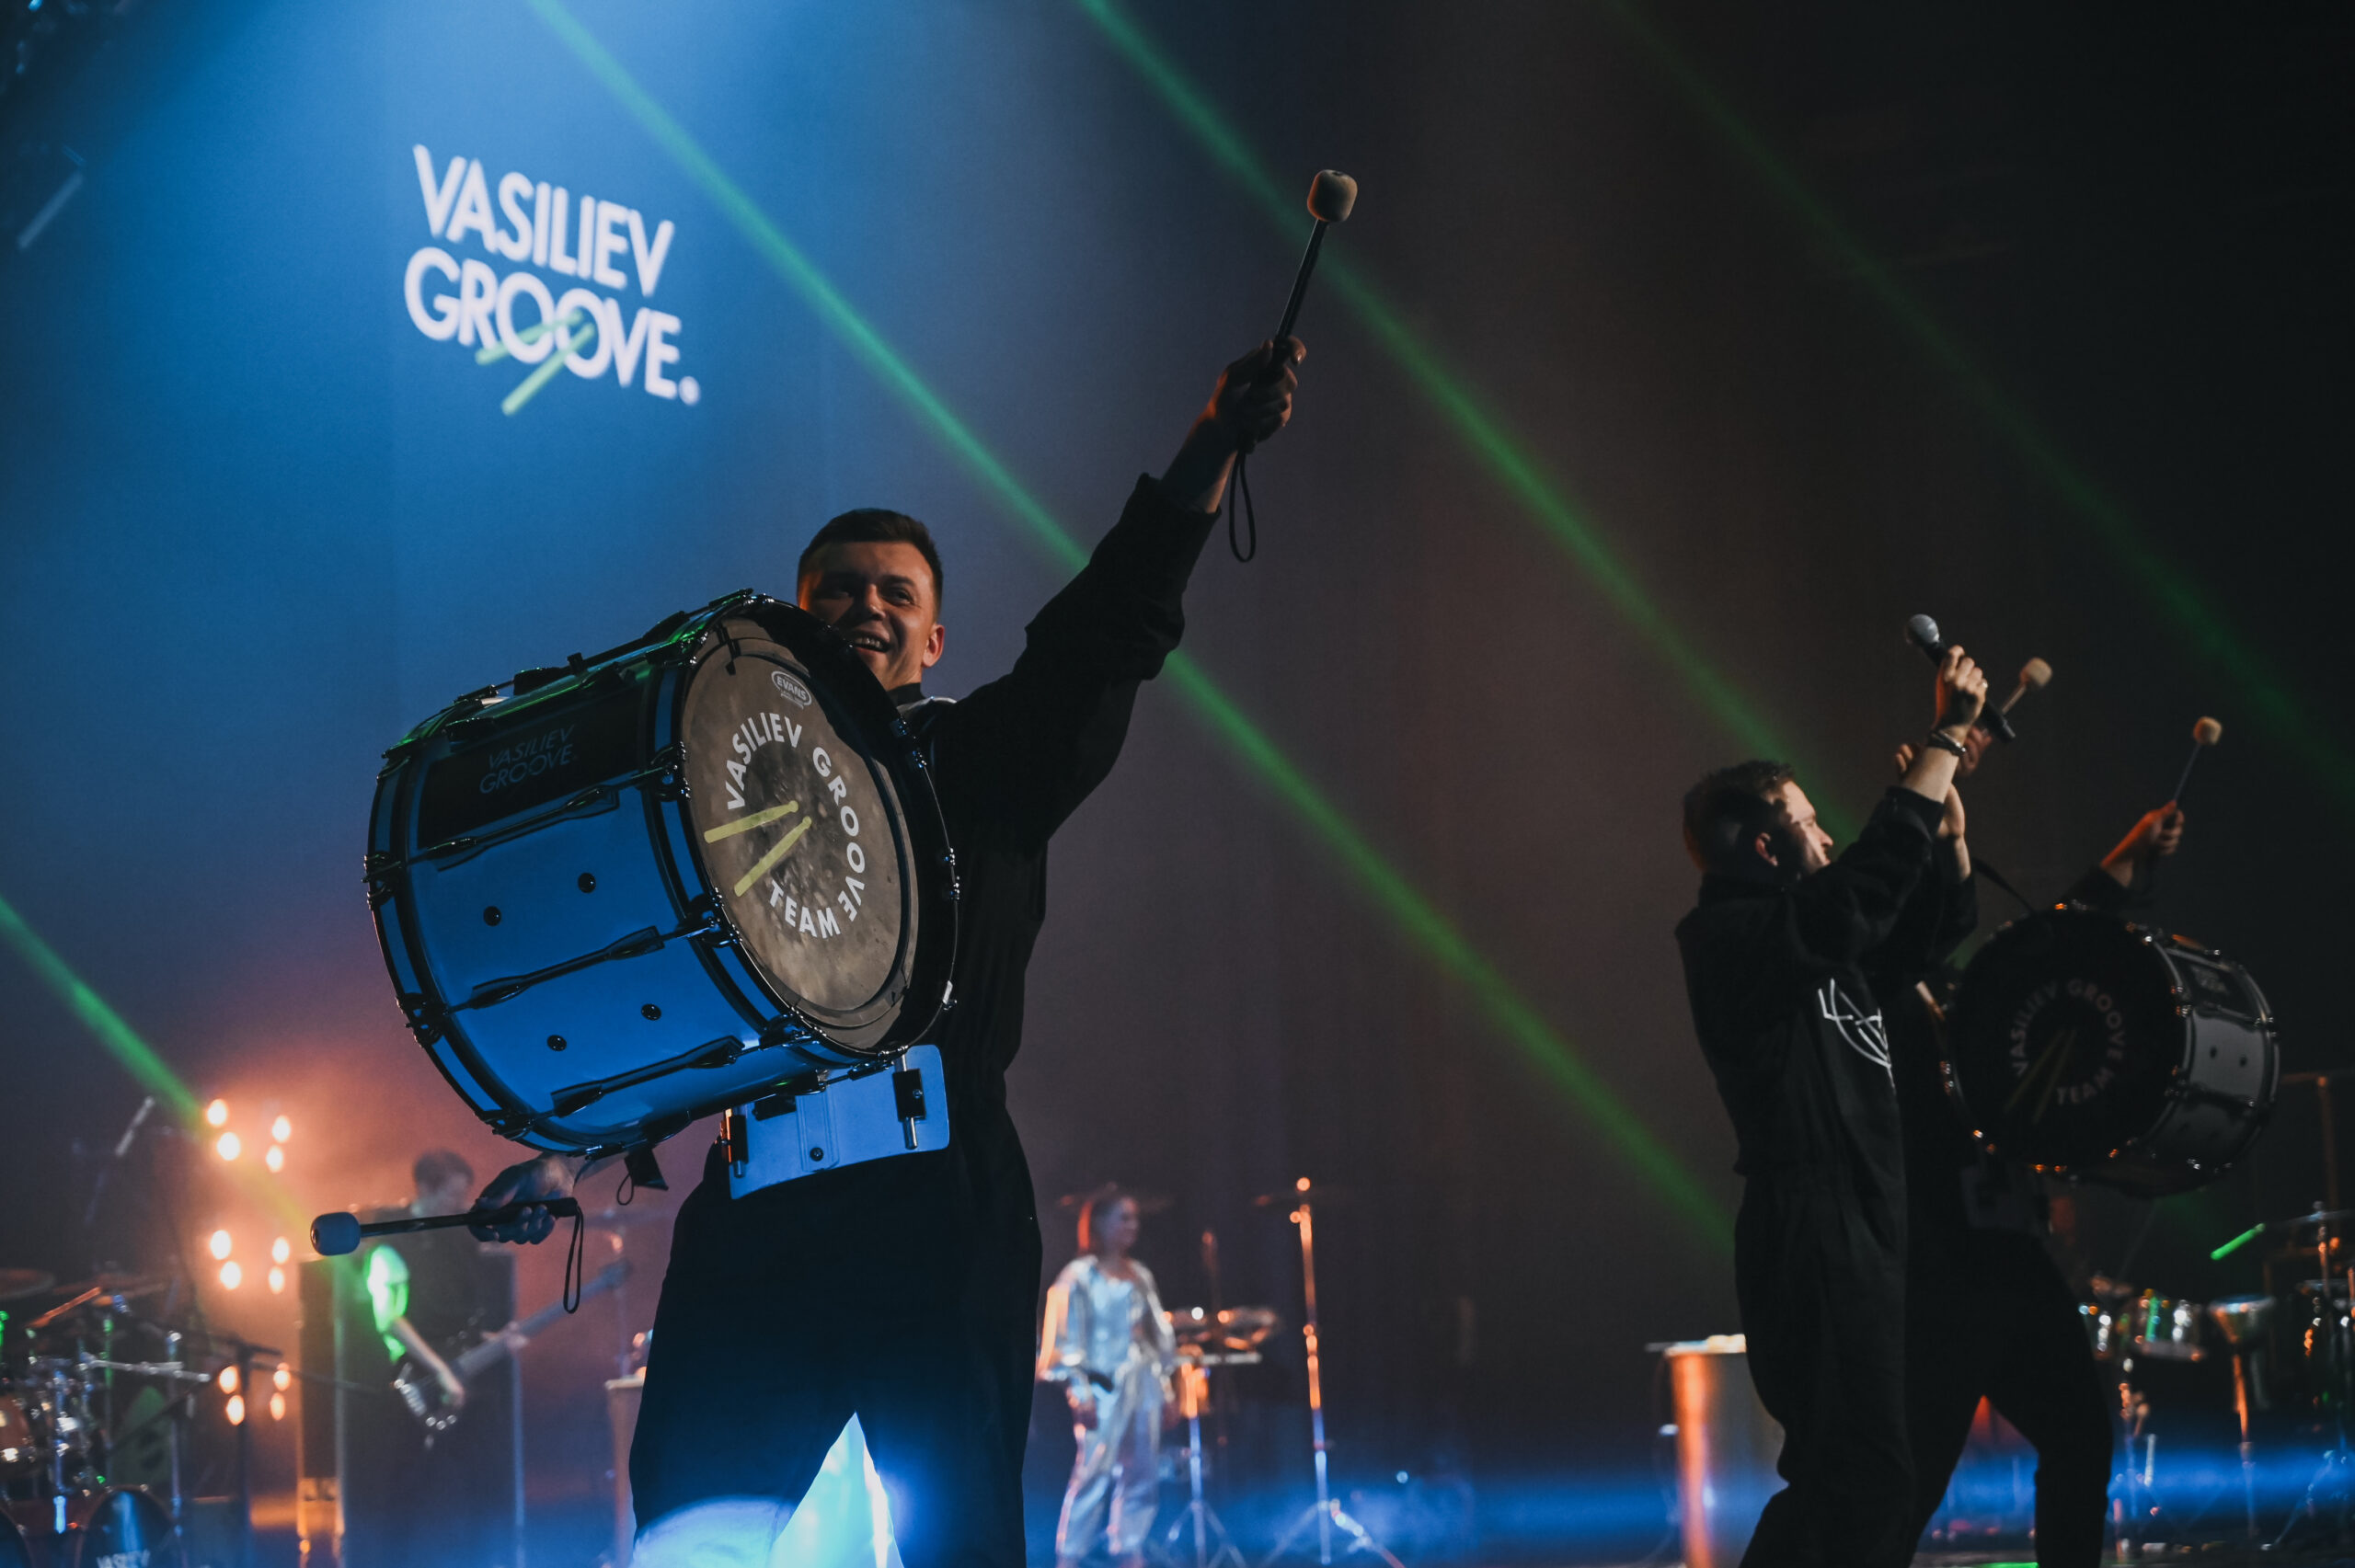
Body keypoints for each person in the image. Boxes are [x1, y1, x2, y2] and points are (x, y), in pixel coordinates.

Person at [465, 337, 1306, 1568]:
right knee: (692, 1535)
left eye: (895, 595)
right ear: (792, 624)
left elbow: (1107, 627)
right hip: (761, 1217)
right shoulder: (720, 808)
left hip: (937, 1218)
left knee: (960, 1543)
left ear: (933, 640)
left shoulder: (987, 763)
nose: (866, 606)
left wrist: (1211, 443)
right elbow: (670, 1011)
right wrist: (566, 1147)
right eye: (838, 590)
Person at [1673, 644, 1986, 1568]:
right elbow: (1859, 890)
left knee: (1860, 1480)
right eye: (1809, 825)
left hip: (1858, 1219)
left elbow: (1910, 932)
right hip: (1812, 1227)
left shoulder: (1809, 943)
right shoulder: (1733, 939)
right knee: (1860, 1478)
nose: (1826, 838)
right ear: (1765, 848)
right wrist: (1945, 737)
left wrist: (1948, 836)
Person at [1890, 727, 2187, 1564]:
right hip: (1937, 1272)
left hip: (2008, 1263)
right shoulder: (1879, 991)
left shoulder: (1970, 997)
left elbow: (2064, 937)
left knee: (2081, 1437)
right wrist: (1929, 798)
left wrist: (2130, 851)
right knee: (1908, 1486)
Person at [342, 1150, 516, 1568]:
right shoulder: (392, 1238)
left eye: (463, 1196)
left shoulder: (461, 1239)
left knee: (486, 1483)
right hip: (416, 1381)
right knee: (405, 1492)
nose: (461, 1205)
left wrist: (492, 1340)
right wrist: (440, 1372)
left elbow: (460, 1314)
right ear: (425, 1189)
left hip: (465, 1373)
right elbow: (389, 1320)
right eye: (452, 1196)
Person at [1038, 1187, 1179, 1568]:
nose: (1133, 1226)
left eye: (1135, 1218)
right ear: (1100, 1223)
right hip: (1102, 1387)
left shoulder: (1140, 1274)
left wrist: (1166, 1390)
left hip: (1143, 1382)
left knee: (1143, 1468)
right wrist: (1078, 1391)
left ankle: (1128, 1546)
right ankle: (1070, 1555)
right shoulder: (1078, 1276)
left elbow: (1155, 1336)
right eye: (1124, 1218)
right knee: (1093, 1469)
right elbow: (1065, 1338)